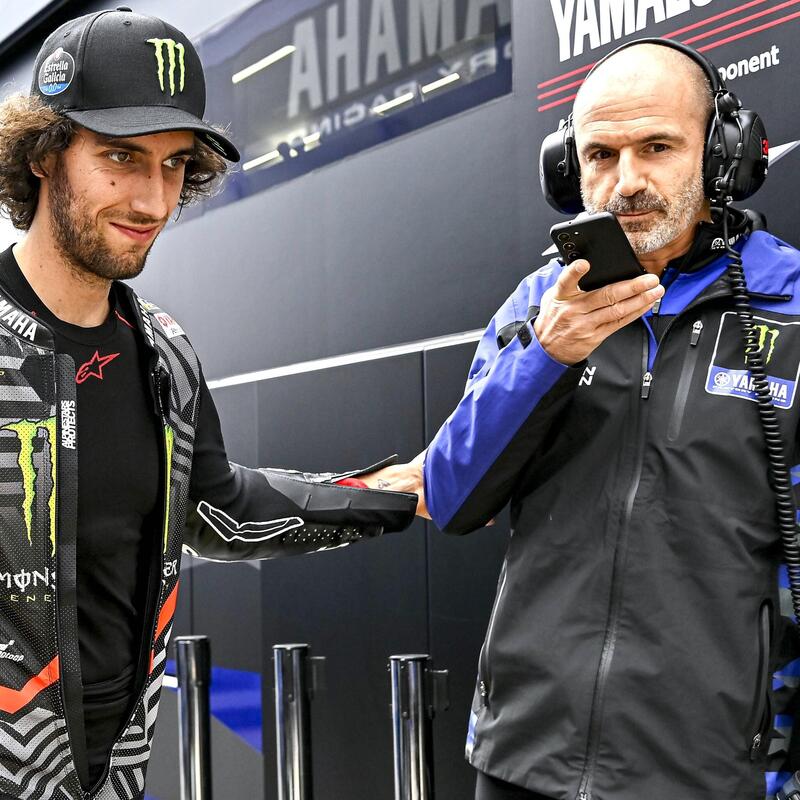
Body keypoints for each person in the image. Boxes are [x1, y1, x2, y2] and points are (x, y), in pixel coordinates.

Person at [365, 39, 800, 799]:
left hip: (710, 770)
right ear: (570, 170)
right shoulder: (539, 305)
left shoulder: (788, 306)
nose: (626, 182)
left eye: (657, 147)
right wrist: (547, 354)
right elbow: (456, 498)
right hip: (525, 757)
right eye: (601, 155)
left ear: (722, 154)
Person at [0, 9, 416, 800]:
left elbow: (218, 508)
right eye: (121, 156)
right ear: (45, 154)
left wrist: (382, 497)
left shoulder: (165, 353)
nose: (152, 199)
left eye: (173, 165)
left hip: (116, 774)